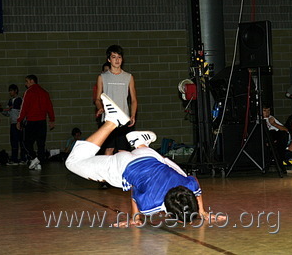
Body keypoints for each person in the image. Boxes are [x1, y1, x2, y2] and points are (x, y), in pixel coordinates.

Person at [66, 93, 219, 226]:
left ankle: (139, 142)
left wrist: (202, 211)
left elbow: (195, 184)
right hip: (123, 166)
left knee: (169, 167)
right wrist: (135, 217)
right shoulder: (150, 205)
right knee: (73, 162)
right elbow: (134, 192)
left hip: (149, 156)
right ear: (170, 216)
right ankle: (112, 122)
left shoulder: (188, 185)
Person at [94, 45, 138, 155]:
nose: (117, 60)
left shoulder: (128, 77)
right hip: (109, 120)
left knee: (123, 151)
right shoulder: (102, 77)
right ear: (109, 59)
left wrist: (132, 115)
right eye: (114, 57)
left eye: (119, 57)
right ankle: (107, 172)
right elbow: (97, 98)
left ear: (122, 59)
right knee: (109, 149)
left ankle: (120, 172)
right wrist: (100, 108)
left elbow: (133, 100)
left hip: (123, 120)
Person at [17, 75, 55, 170]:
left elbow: (24, 107)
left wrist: (19, 120)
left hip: (32, 122)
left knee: (26, 143)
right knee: (41, 144)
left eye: (26, 81)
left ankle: (34, 158)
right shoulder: (44, 92)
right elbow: (49, 107)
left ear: (32, 81)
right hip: (42, 122)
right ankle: (38, 162)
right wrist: (52, 119)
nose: (25, 84)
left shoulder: (28, 92)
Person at [2, 84, 26, 165]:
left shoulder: (19, 100)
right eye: (9, 91)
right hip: (13, 123)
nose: (10, 92)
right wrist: (2, 109)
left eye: (11, 90)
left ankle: (23, 158)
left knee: (21, 141)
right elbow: (7, 112)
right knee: (14, 141)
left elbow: (15, 109)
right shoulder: (10, 101)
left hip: (19, 123)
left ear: (15, 90)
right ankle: (14, 159)